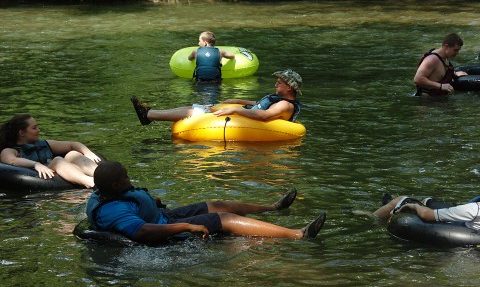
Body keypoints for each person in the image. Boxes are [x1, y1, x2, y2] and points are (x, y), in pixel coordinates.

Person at [86, 161, 327, 244]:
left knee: (218, 204)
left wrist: (148, 201)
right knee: (225, 220)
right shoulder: (112, 209)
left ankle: (274, 207)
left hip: (163, 217)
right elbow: (142, 231)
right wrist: (187, 226)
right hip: (163, 229)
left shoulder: (110, 192)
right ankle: (298, 235)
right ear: (116, 185)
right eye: (126, 176)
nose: (130, 178)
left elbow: (134, 206)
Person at [131, 69, 303, 126]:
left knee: (195, 111)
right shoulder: (279, 100)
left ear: (289, 87)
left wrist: (234, 109)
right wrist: (238, 101)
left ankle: (148, 115)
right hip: (244, 114)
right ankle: (150, 113)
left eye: (279, 83)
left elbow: (264, 115)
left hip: (245, 122)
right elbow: (258, 105)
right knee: (196, 107)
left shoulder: (285, 106)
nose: (275, 85)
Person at [0, 114, 101, 188]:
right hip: (41, 176)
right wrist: (36, 164)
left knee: (73, 154)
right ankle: (91, 182)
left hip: (60, 170)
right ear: (22, 133)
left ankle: (104, 176)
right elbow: (12, 161)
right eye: (34, 128)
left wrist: (87, 152)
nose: (39, 130)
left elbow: (72, 144)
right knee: (57, 160)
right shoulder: (9, 151)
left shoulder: (45, 144)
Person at [373, 193, 480, 231]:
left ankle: (371, 217)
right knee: (429, 202)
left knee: (403, 200)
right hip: (464, 215)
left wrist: (414, 206)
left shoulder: (474, 209)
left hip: (459, 222)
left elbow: (426, 215)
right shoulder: (473, 208)